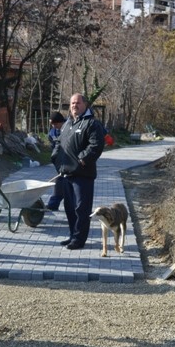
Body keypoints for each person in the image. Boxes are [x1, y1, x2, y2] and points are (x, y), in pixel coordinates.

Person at [51, 94, 105, 250]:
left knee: (81, 209)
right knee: (69, 208)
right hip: (66, 174)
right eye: (72, 103)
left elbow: (96, 145)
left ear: (85, 105)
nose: (74, 105)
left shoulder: (92, 123)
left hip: (83, 175)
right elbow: (59, 143)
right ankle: (72, 235)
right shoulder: (68, 123)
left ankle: (79, 240)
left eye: (78, 103)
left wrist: (82, 159)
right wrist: (55, 157)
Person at [45, 111, 66, 211]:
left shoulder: (69, 127)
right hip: (59, 163)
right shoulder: (52, 132)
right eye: (52, 124)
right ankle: (53, 204)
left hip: (71, 162)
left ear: (61, 122)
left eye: (56, 124)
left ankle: (53, 204)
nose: (54, 126)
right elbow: (53, 146)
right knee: (61, 182)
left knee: (62, 183)